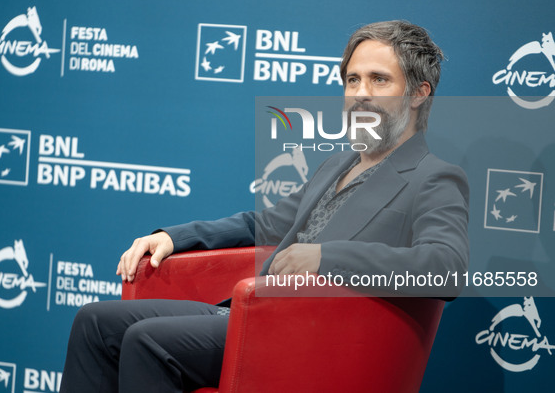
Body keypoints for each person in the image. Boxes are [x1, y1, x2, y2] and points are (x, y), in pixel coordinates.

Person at [60, 20, 469, 393]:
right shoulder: (336, 164)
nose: (360, 93)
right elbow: (265, 223)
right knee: (95, 322)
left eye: (379, 80)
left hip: (313, 338)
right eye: (352, 79)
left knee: (146, 341)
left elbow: (444, 267)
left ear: (419, 93)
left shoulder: (433, 177)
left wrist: (326, 258)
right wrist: (172, 236)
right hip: (251, 314)